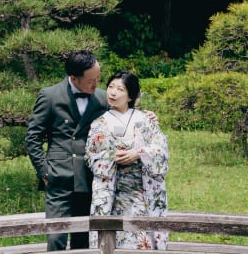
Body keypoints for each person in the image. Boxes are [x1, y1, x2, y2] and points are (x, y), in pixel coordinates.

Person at [26, 49, 107, 250]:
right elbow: (33, 136)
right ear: (73, 78)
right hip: (59, 176)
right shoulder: (50, 96)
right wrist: (44, 171)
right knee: (56, 238)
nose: (96, 84)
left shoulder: (103, 98)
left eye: (98, 78)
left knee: (83, 240)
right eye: (91, 80)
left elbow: (126, 113)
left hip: (90, 176)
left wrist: (148, 115)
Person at [85, 70, 169, 251]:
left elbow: (161, 150)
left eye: (120, 89)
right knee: (112, 239)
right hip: (113, 194)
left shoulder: (146, 119)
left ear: (131, 95)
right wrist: (112, 157)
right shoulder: (100, 122)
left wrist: (139, 153)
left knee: (141, 239)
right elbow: (91, 155)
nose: (113, 93)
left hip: (141, 192)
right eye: (110, 87)